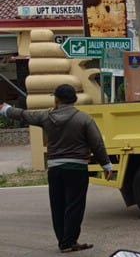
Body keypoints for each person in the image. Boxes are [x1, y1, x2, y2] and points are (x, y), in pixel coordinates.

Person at [0, 85, 114, 253]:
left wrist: (6, 109)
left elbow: (24, 115)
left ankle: (63, 241)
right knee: (74, 205)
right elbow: (96, 143)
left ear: (57, 99)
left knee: (58, 205)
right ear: (74, 99)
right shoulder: (84, 119)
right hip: (77, 168)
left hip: (55, 169)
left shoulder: (46, 117)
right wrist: (106, 165)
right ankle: (69, 241)